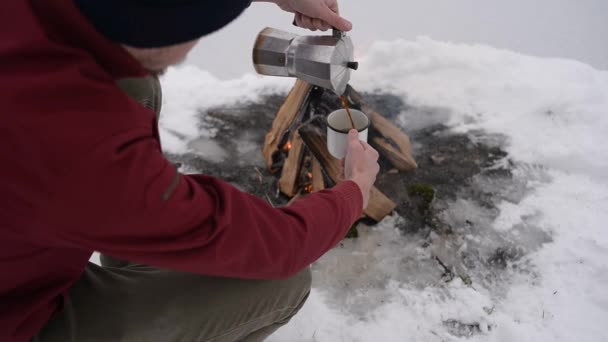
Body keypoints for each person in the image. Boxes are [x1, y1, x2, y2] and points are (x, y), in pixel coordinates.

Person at [0, 0, 379, 341]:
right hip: (23, 322)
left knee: (134, 86)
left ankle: (135, 242)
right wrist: (355, 191)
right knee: (281, 280)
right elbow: (280, 245)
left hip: (22, 267)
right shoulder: (83, 155)